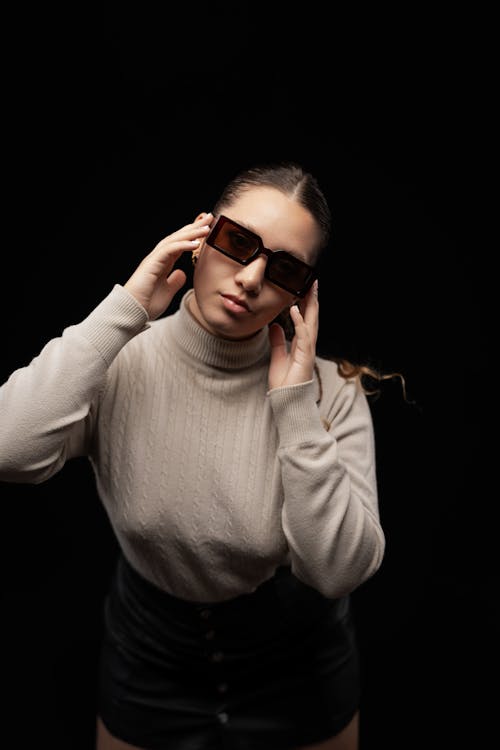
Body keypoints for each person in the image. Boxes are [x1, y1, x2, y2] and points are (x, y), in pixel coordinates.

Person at [0, 161, 386, 750]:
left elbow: (339, 572)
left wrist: (293, 403)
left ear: (300, 292)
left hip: (298, 664)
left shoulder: (332, 393)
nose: (251, 278)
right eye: (237, 243)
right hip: (151, 651)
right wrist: (124, 309)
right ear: (201, 237)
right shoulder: (117, 362)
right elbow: (8, 449)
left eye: (283, 268)